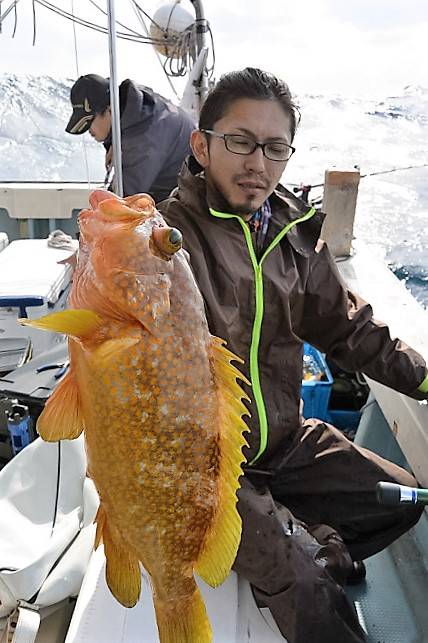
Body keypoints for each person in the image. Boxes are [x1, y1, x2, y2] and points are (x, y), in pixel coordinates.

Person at [158, 67, 428, 643]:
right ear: (201, 146)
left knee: (398, 500)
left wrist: (426, 380)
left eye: (275, 147)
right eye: (240, 141)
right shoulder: (168, 241)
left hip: (283, 439)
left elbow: (347, 329)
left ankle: (305, 533)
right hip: (211, 470)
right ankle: (295, 552)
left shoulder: (292, 232)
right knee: (306, 587)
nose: (257, 162)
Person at [65, 73, 195, 202]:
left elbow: (121, 203)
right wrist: (115, 142)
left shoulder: (141, 142)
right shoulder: (139, 106)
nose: (88, 130)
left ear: (110, 109)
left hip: (186, 203)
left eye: (90, 121)